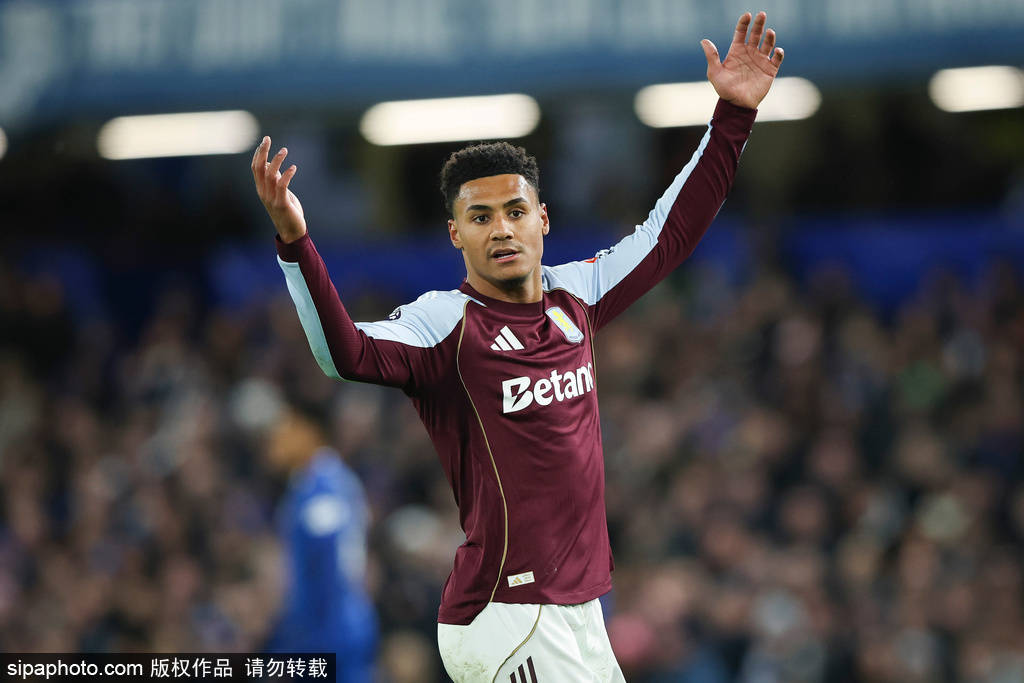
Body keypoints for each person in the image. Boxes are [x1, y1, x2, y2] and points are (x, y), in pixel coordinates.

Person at [252, 11, 783, 681]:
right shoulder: (444, 323)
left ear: (543, 219)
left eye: (514, 211)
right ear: (456, 234)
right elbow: (345, 352)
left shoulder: (577, 296)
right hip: (507, 612)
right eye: (480, 217)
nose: (501, 229)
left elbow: (668, 233)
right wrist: (296, 242)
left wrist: (734, 116)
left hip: (579, 610)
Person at [263, 408, 377, 683]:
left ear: (310, 431)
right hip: (330, 623)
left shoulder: (322, 486)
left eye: (285, 429)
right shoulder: (318, 481)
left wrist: (309, 629)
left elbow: (327, 558)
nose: (275, 441)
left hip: (331, 626)